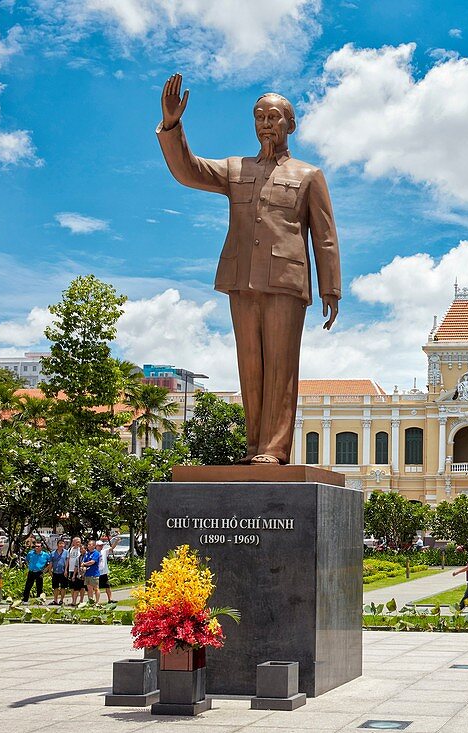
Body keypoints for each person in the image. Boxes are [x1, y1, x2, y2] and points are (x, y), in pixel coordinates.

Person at [156, 73, 342, 465]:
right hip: (241, 279)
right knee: (250, 367)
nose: (266, 124)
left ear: (290, 125)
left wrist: (331, 288)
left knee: (280, 367)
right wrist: (172, 126)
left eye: (273, 117)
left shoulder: (308, 175)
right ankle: (254, 447)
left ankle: (274, 449)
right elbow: (189, 171)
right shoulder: (235, 169)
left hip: (286, 283)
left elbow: (324, 236)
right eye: (259, 117)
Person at [97, 533, 121, 604]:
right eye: (99, 546)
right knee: (96, 588)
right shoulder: (94, 553)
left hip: (104, 572)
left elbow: (112, 548)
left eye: (101, 545)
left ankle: (110, 599)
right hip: (97, 573)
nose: (101, 547)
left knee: (107, 586)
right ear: (96, 546)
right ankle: (96, 601)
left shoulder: (104, 551)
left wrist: (116, 542)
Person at [48, 539, 68, 606]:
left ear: (64, 545)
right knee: (55, 587)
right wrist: (50, 570)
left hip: (63, 572)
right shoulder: (53, 553)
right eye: (60, 543)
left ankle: (61, 600)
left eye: (62, 543)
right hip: (55, 572)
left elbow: (67, 562)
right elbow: (51, 562)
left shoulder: (66, 552)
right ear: (57, 545)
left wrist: (66, 570)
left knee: (63, 587)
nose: (61, 545)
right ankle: (55, 600)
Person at [65, 537, 85, 605]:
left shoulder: (82, 549)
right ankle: (73, 601)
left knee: (82, 587)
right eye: (76, 542)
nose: (78, 543)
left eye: (79, 541)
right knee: (72, 587)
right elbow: (67, 560)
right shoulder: (70, 549)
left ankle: (81, 601)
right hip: (71, 570)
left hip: (80, 571)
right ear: (73, 542)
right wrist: (66, 570)